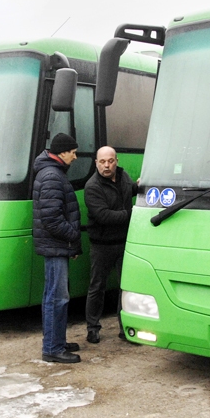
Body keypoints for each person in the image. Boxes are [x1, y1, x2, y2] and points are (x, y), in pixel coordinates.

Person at [32, 132, 83, 363]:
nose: (75, 156)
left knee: (54, 295)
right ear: (62, 152)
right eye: (73, 152)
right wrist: (73, 238)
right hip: (56, 245)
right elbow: (52, 219)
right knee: (57, 297)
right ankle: (52, 348)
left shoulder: (53, 172)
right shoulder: (52, 175)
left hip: (56, 246)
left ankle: (56, 340)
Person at [84, 146, 136, 344]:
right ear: (96, 163)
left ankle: (126, 328)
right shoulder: (92, 186)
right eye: (102, 162)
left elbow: (131, 191)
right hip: (101, 245)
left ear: (117, 161)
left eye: (110, 161)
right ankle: (93, 328)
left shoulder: (124, 177)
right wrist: (133, 216)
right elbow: (103, 216)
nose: (107, 165)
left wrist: (138, 186)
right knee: (97, 287)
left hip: (124, 243)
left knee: (126, 287)